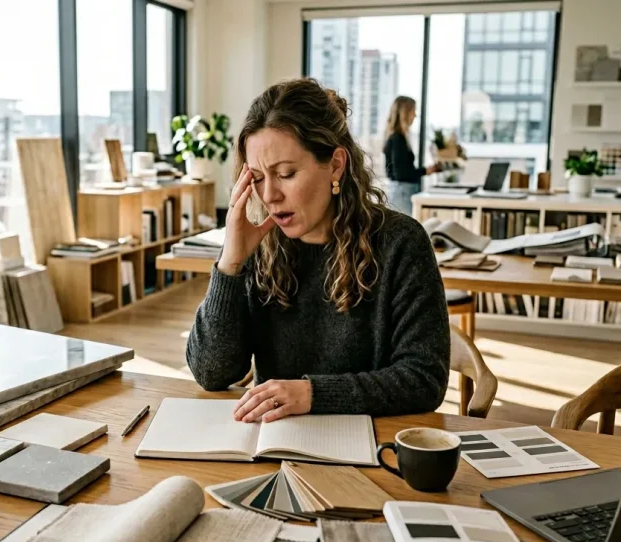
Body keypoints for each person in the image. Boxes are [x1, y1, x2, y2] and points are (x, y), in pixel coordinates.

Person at [185, 78, 450, 423]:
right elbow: (211, 372)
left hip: (372, 444)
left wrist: (313, 394)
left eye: (286, 174)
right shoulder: (260, 246)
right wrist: (230, 263)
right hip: (274, 442)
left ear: (336, 165)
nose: (269, 196)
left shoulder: (401, 243)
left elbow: (424, 379)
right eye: (258, 178)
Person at [383, 96, 440, 215]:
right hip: (402, 194)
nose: (415, 115)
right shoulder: (398, 139)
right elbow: (401, 173)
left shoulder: (397, 137)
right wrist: (426, 171)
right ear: (404, 113)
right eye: (413, 111)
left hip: (401, 192)